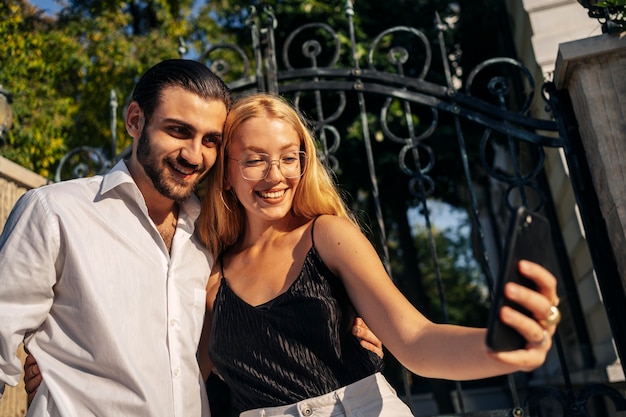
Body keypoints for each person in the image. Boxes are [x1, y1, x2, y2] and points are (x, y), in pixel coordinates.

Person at [10, 60, 382, 416]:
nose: (194, 154)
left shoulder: (213, 234)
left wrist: (338, 330)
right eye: (178, 131)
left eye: (211, 140)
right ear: (135, 120)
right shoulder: (55, 212)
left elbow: (222, 353)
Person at [195, 93, 561, 416]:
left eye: (289, 158)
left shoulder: (326, 235)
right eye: (254, 160)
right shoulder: (211, 274)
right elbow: (184, 379)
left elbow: (416, 339)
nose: (275, 175)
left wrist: (496, 347)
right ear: (226, 173)